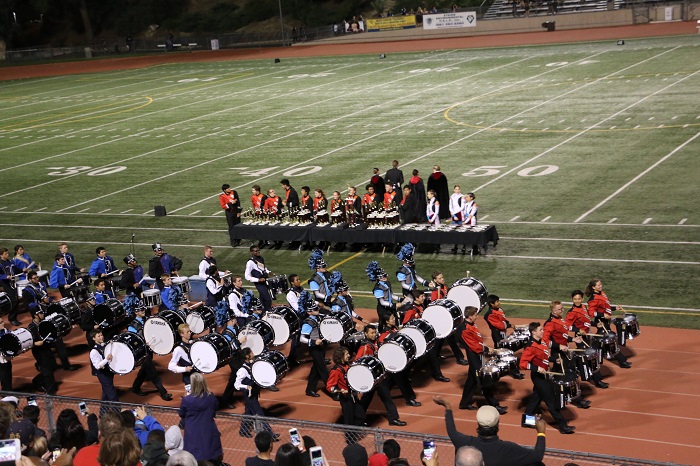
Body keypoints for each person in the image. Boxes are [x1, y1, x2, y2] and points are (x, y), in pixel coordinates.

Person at [434, 395, 546, 466]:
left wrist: (448, 406)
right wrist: (541, 432)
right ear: (497, 423)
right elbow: (537, 456)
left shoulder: (466, 443)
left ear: (478, 423)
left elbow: (451, 431)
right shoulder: (508, 448)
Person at [519, 322, 575, 434]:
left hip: (545, 375)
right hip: (539, 377)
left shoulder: (542, 342)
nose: (543, 331)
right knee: (551, 401)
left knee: (536, 398)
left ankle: (526, 421)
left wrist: (554, 359)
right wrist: (536, 368)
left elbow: (544, 356)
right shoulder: (530, 346)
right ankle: (563, 426)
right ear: (533, 332)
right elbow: (522, 364)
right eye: (540, 330)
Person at [353, 324, 406, 426]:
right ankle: (358, 419)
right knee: (368, 399)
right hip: (371, 377)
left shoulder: (376, 343)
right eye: (371, 333)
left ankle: (393, 418)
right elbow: (357, 362)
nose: (374, 335)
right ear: (365, 334)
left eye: (374, 332)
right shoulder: (364, 347)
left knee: (383, 397)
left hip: (378, 376)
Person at [459, 307, 507, 414]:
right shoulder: (465, 329)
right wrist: (487, 349)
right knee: (484, 380)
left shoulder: (471, 325)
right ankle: (495, 405)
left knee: (471, 381)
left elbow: (477, 341)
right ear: (470, 316)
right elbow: (474, 346)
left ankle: (464, 403)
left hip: (478, 356)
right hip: (474, 357)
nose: (477, 316)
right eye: (475, 315)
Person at [543, 301, 589, 409]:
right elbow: (545, 341)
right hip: (558, 354)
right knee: (565, 375)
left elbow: (563, 336)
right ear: (553, 311)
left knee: (566, 373)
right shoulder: (549, 324)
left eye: (562, 308)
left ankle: (567, 396)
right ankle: (575, 399)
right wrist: (559, 347)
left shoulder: (560, 320)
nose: (562, 310)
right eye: (560, 309)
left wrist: (573, 339)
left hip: (565, 351)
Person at [401, 290, 450, 383]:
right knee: (415, 358)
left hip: (424, 336)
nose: (424, 298)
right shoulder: (411, 310)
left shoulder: (421, 306)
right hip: (417, 338)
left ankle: (437, 374)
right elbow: (405, 324)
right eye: (422, 296)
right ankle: (404, 376)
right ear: (416, 299)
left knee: (431, 355)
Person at [566, 289, 609, 389]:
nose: (577, 301)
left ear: (582, 299)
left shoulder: (584, 307)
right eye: (575, 299)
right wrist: (578, 330)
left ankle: (576, 366)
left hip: (588, 334)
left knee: (591, 355)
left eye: (579, 299)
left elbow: (587, 321)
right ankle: (597, 380)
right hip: (580, 338)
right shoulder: (571, 312)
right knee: (591, 357)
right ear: (572, 299)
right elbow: (567, 326)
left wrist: (595, 324)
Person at [128, 307, 173, 400]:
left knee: (144, 370)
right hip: (142, 352)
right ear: (136, 312)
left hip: (149, 349)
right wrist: (143, 342)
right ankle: (163, 393)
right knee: (152, 372)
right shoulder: (132, 326)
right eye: (140, 310)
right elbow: (133, 341)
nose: (143, 311)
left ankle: (135, 387)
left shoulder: (147, 320)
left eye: (143, 309)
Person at [585, 278, 631, 368]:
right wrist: (602, 315)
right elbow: (591, 313)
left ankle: (590, 355)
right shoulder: (593, 299)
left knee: (601, 341)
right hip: (601, 322)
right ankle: (622, 361)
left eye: (601, 284)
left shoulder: (602, 293)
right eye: (598, 285)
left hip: (606, 321)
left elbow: (606, 306)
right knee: (610, 340)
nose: (600, 286)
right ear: (593, 287)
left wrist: (614, 308)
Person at [178, 372, 223, 462]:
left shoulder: (187, 400)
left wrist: (186, 397)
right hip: (209, 430)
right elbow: (215, 408)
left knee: (193, 459)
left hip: (193, 433)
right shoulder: (211, 397)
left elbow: (181, 413)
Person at [235, 348, 277, 438]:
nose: (253, 353)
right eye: (252, 352)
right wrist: (246, 387)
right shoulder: (242, 370)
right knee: (260, 414)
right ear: (247, 356)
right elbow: (236, 384)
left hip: (254, 393)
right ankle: (271, 435)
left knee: (248, 413)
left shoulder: (252, 364)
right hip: (249, 396)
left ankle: (243, 430)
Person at [327, 346, 366, 442]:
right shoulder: (336, 370)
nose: (348, 355)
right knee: (348, 420)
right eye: (346, 354)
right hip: (345, 398)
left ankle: (353, 431)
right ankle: (350, 440)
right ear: (341, 357)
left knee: (361, 415)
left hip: (353, 395)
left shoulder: (347, 365)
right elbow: (329, 386)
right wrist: (340, 391)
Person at [430, 271, 467, 365]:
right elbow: (435, 306)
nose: (442, 279)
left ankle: (435, 355)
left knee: (441, 339)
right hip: (442, 318)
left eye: (442, 277)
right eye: (439, 278)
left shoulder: (445, 287)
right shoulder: (435, 292)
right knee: (450, 338)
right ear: (435, 280)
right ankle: (459, 358)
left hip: (447, 315)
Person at [483, 295, 523, 379]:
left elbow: (503, 320)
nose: (499, 303)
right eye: (497, 302)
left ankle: (499, 368)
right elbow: (500, 325)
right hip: (497, 335)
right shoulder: (489, 315)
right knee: (506, 354)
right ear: (491, 304)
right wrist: (509, 325)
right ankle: (514, 372)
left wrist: (508, 323)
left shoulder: (499, 309)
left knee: (501, 353)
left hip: (503, 333)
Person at [300, 300, 329, 397]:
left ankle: (310, 389)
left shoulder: (318, 317)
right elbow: (302, 339)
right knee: (323, 370)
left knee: (316, 369)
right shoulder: (308, 323)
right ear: (309, 312)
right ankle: (332, 390)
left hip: (321, 347)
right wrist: (313, 342)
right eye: (315, 309)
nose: (317, 310)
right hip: (315, 349)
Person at [27, 308, 57, 394]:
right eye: (40, 313)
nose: (43, 314)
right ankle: (50, 392)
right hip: (39, 352)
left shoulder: (44, 323)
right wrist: (35, 343)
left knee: (53, 366)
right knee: (47, 371)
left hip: (47, 349)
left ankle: (37, 381)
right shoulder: (31, 328)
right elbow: (27, 342)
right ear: (35, 315)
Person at [90, 329, 119, 409]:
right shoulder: (94, 351)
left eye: (101, 335)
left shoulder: (105, 345)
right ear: (94, 338)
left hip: (108, 372)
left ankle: (102, 413)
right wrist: (107, 359)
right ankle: (117, 412)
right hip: (102, 374)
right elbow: (97, 366)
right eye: (98, 336)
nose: (101, 337)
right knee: (112, 394)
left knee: (105, 394)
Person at [245, 245, 275, 312]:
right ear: (251, 252)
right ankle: (267, 311)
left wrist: (269, 272)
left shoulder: (260, 258)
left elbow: (263, 268)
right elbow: (246, 276)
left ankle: (262, 311)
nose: (258, 252)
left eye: (258, 250)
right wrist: (258, 280)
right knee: (267, 299)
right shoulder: (250, 263)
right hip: (259, 283)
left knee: (262, 297)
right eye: (256, 251)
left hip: (265, 280)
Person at [168, 323, 194, 389]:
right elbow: (171, 366)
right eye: (187, 332)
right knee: (191, 398)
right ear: (181, 334)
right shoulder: (178, 349)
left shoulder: (193, 343)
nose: (190, 333)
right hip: (189, 380)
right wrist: (185, 369)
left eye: (190, 331)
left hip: (198, 377)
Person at [0, 247, 20, 326]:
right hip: (5, 283)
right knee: (14, 300)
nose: (7, 255)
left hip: (12, 282)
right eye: (5, 254)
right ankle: (12, 318)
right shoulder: (0, 264)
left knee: (17, 300)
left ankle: (14, 317)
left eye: (7, 253)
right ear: (1, 255)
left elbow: (16, 270)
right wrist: (5, 276)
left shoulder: (9, 262)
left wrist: (23, 270)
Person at [0, 321, 12, 390]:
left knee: (6, 380)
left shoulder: (7, 332)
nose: (3, 323)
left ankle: (7, 396)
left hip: (5, 360)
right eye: (0, 323)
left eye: (2, 322)